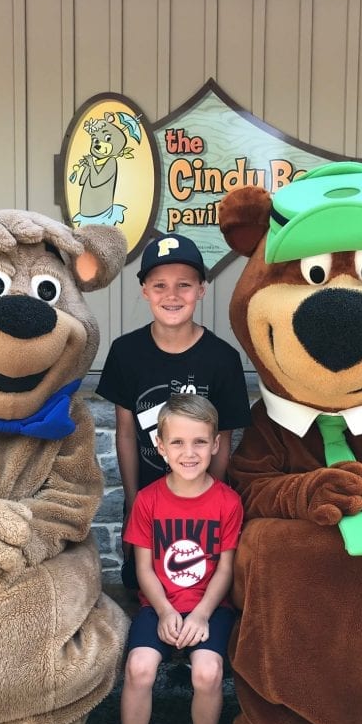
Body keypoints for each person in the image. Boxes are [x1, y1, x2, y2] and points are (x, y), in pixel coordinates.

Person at [94, 394, 243, 724]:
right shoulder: (149, 501)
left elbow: (225, 570)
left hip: (209, 609)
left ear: (215, 445)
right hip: (159, 607)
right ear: (159, 445)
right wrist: (163, 612)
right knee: (139, 668)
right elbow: (143, 568)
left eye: (199, 442)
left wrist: (199, 615)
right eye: (177, 442)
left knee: (208, 672)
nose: (189, 453)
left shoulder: (228, 502)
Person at [96, 234, 250, 587]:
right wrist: (134, 499)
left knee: (198, 585)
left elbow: (223, 440)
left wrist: (212, 496)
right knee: (141, 588)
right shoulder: (125, 352)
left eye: (184, 285)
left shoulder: (222, 359)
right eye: (160, 285)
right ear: (145, 290)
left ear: (201, 290)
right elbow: (125, 432)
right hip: (148, 497)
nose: (172, 295)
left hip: (200, 502)